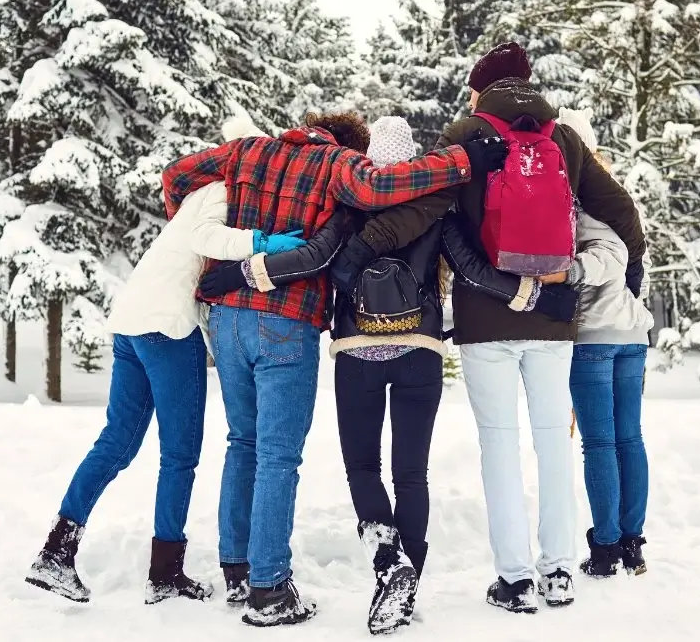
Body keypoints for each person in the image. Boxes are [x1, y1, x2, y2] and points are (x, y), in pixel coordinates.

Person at [199, 115, 578, 634]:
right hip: (420, 349)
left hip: (357, 351)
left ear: (371, 159)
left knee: (363, 468)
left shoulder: (351, 206)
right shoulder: (437, 207)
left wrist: (243, 272)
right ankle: (407, 583)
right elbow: (471, 269)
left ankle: (387, 564)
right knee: (412, 474)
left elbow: (314, 258)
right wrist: (533, 295)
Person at [372, 42, 647, 613]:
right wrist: (627, 281)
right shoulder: (564, 137)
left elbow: (434, 211)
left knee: (498, 446)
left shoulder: (465, 132)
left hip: (484, 316)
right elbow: (622, 212)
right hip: (554, 315)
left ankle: (515, 580)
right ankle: (559, 573)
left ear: (482, 88)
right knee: (553, 442)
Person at [24, 117, 304, 605]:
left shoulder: (202, 195)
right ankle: (165, 572)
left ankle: (56, 552)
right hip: (165, 328)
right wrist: (264, 244)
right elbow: (207, 241)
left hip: (133, 320)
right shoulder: (220, 192)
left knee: (118, 442)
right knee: (179, 454)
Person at [556, 108, 654, 579]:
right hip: (632, 333)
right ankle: (631, 542)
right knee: (628, 440)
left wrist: (568, 272)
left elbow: (608, 260)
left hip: (595, 335)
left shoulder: (580, 198)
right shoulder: (617, 198)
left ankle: (607, 547)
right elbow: (633, 263)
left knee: (600, 443)